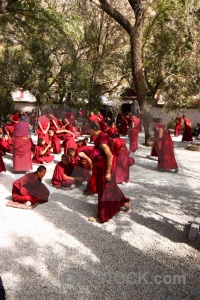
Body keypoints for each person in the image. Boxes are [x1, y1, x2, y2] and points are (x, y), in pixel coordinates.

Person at [88, 122, 130, 223]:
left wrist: (107, 172)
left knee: (104, 192)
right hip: (105, 167)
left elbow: (110, 156)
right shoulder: (103, 135)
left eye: (89, 130)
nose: (88, 132)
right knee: (111, 187)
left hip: (105, 169)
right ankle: (124, 202)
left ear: (93, 129)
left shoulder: (102, 140)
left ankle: (102, 215)